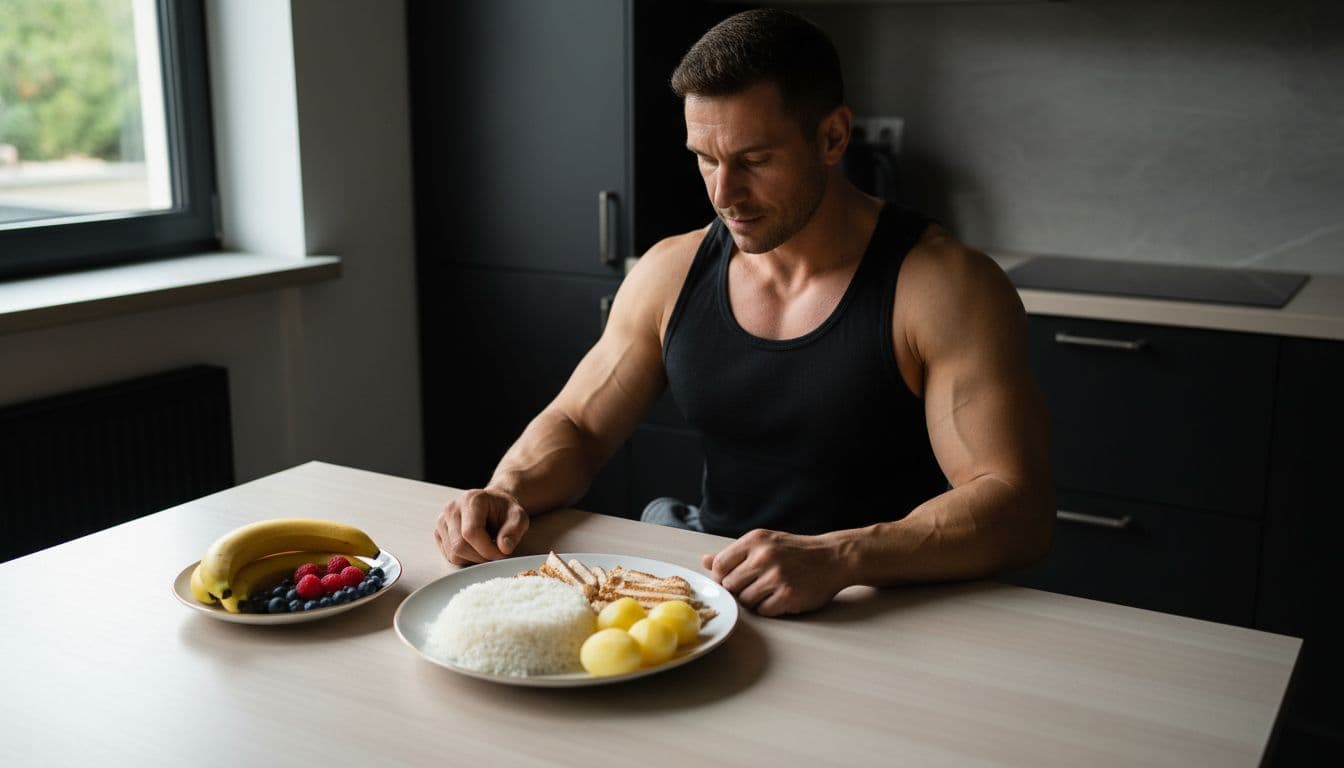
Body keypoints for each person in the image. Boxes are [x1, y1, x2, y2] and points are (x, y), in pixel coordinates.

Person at [433, 8, 1054, 617]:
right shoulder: (670, 272)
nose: (723, 194)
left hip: (881, 601)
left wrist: (840, 557)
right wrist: (504, 490)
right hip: (719, 588)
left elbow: (1014, 507)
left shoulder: (943, 286)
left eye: (755, 160)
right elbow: (578, 424)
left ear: (833, 137)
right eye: (705, 158)